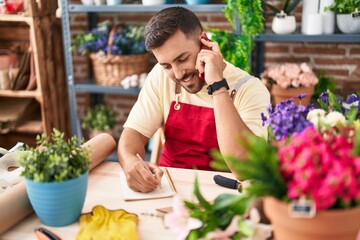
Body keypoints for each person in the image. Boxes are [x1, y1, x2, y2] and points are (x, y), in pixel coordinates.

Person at [118, 6, 270, 192]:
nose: (178, 73)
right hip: (169, 187)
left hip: (224, 192)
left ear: (204, 42)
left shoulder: (250, 89)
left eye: (182, 59)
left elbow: (246, 169)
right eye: (166, 65)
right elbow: (132, 136)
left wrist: (218, 86)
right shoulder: (160, 76)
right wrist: (130, 162)